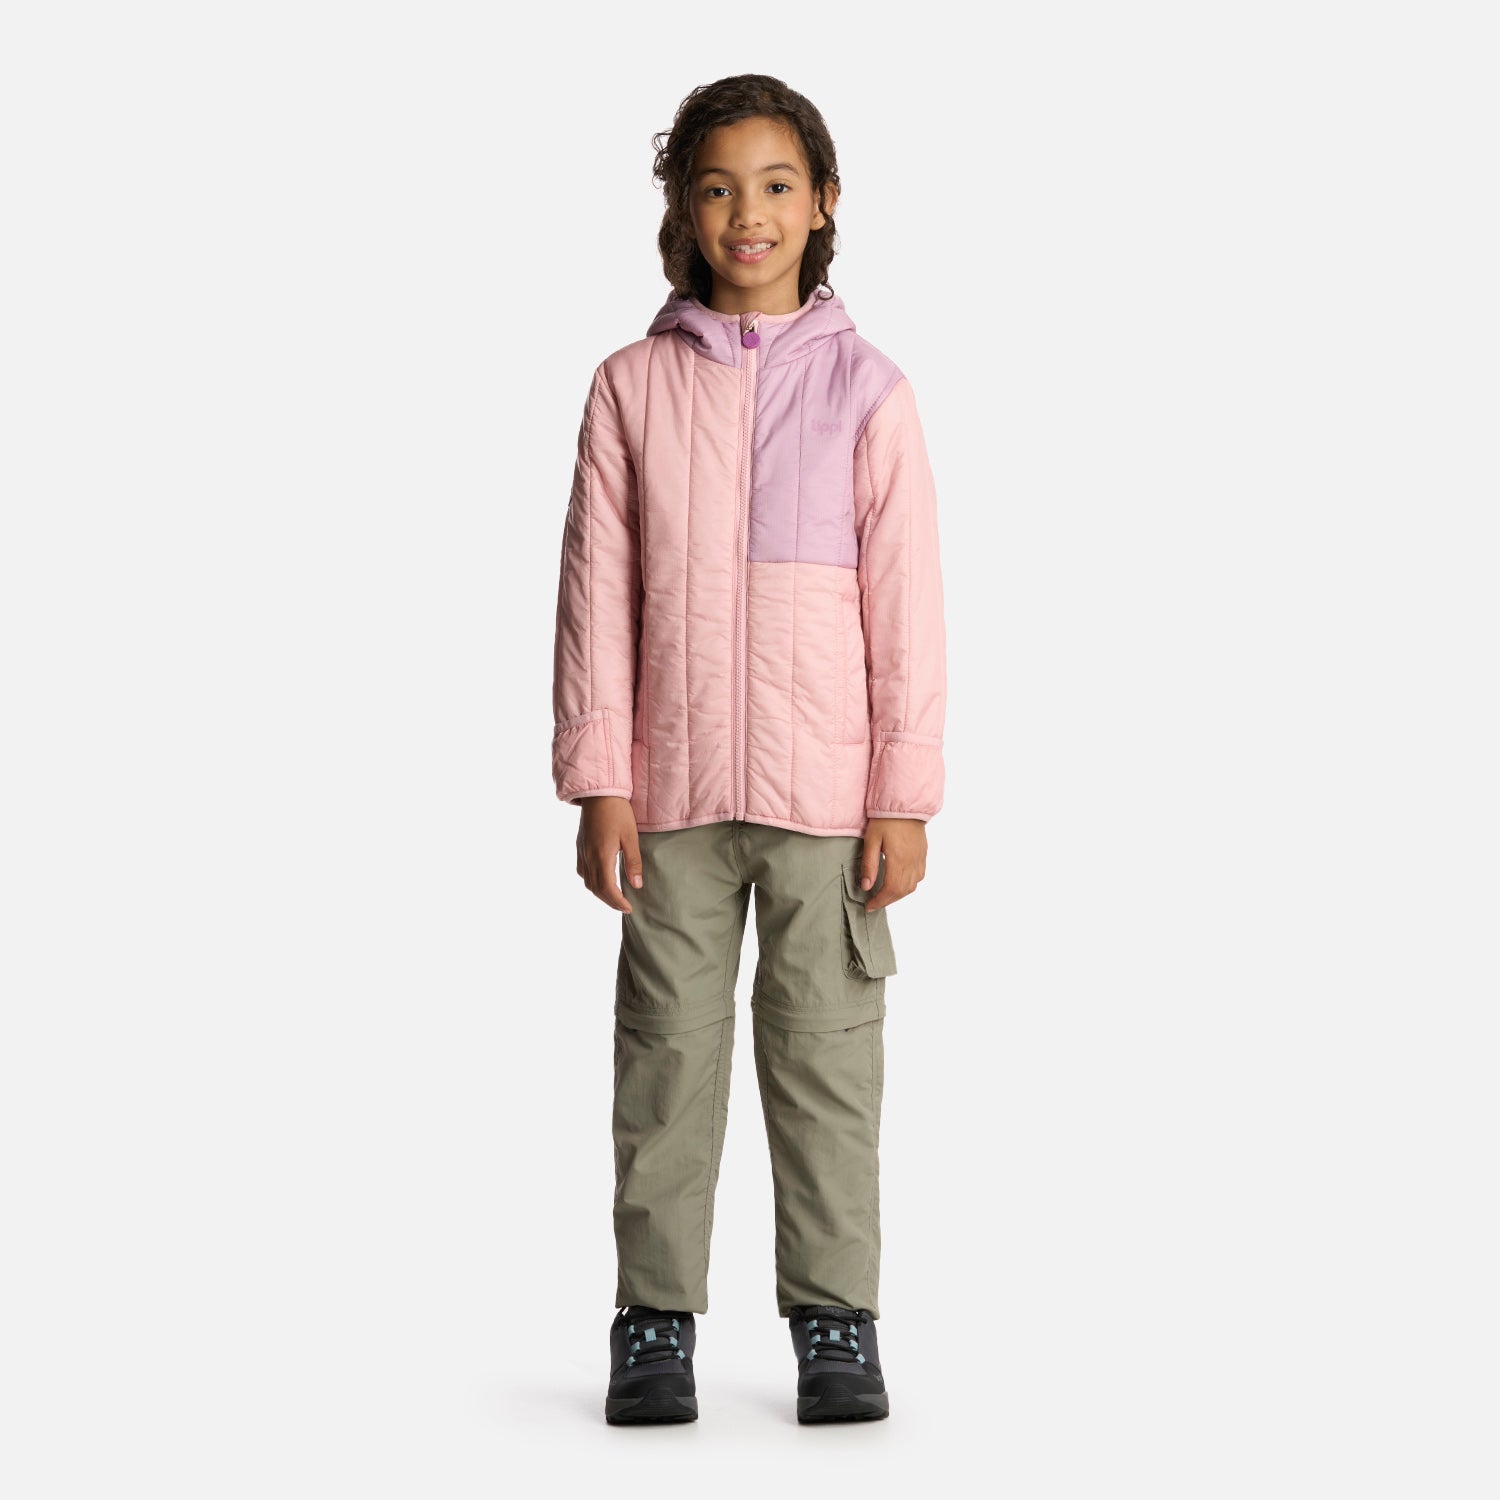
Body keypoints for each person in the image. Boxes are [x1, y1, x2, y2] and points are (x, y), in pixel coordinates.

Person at [549, 73, 947, 1426]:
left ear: (824, 201)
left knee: (828, 1053)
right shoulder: (630, 389)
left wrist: (902, 793)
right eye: (718, 188)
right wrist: (601, 777)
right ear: (682, 207)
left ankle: (837, 1317)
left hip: (828, 798)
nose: (749, 213)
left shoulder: (870, 393)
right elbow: (595, 594)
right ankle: (653, 1315)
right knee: (664, 1053)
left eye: (777, 185)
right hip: (669, 794)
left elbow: (907, 606)